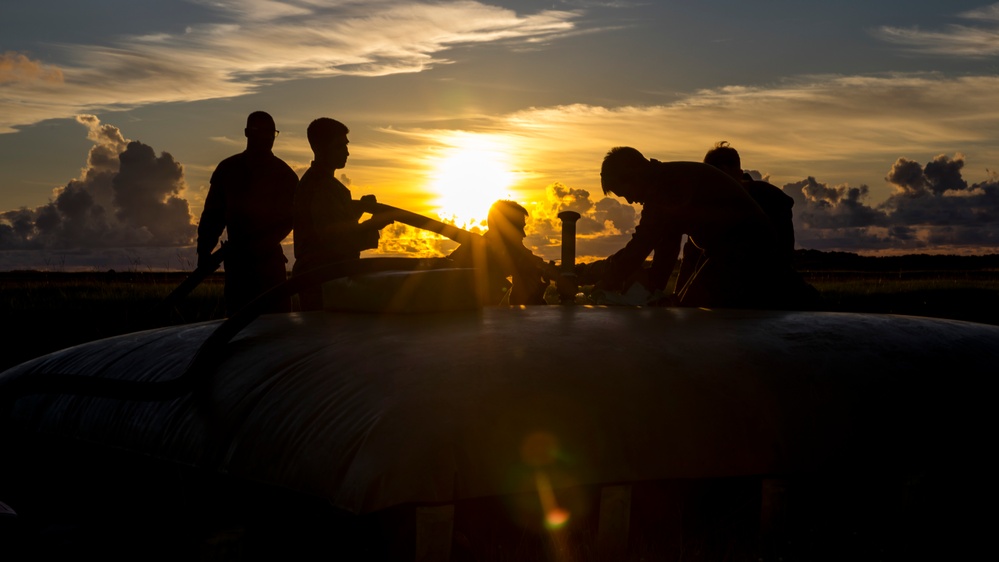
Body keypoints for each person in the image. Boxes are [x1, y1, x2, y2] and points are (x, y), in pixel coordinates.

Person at [595, 146, 806, 309]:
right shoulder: (666, 182)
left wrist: (605, 283)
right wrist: (653, 284)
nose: (630, 201)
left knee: (692, 313)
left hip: (745, 250)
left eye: (625, 193)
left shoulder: (663, 186)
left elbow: (643, 241)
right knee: (685, 307)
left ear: (634, 174)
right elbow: (666, 246)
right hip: (734, 250)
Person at [197, 111, 298, 315]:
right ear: (247, 133)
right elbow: (212, 218)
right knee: (239, 331)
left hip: (269, 266)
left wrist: (262, 244)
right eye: (260, 131)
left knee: (276, 330)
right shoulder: (228, 170)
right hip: (239, 268)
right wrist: (203, 252)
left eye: (271, 133)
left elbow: (293, 218)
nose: (267, 137)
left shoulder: (284, 174)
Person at [292, 117, 393, 311]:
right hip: (323, 280)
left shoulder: (321, 185)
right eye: (339, 147)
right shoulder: (321, 187)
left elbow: (334, 221)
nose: (347, 152)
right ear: (321, 148)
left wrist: (360, 208)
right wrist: (375, 224)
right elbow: (334, 238)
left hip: (325, 278)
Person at [675, 141, 798, 296]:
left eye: (720, 180)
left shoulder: (771, 199)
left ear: (737, 175)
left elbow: (783, 255)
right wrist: (678, 298)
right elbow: (690, 258)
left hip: (768, 285)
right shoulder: (708, 206)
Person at [448, 200, 550, 305]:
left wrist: (536, 292)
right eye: (519, 228)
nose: (524, 235)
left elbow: (520, 307)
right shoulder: (474, 259)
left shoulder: (512, 256)